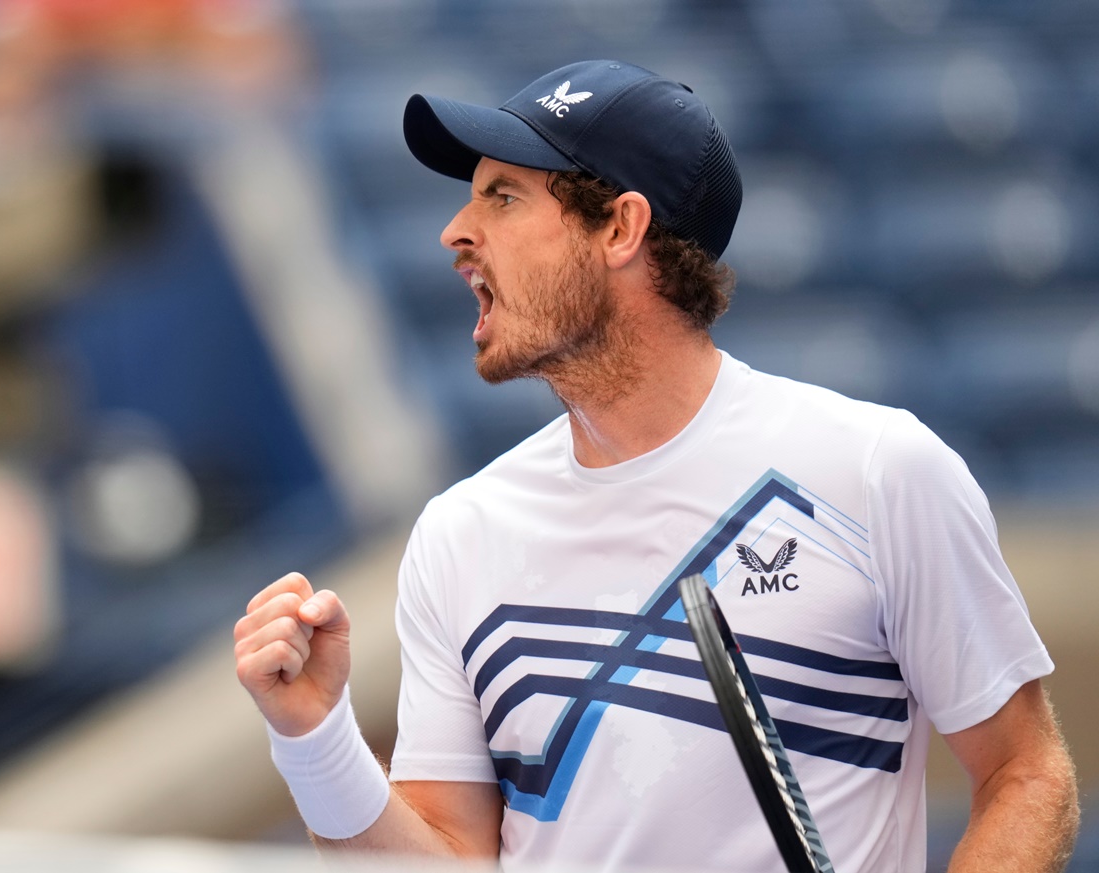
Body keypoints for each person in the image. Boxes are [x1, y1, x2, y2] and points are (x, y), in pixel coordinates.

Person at [233, 60, 1080, 872]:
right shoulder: (460, 533)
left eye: (503, 196)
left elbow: (1026, 775)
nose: (456, 232)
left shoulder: (881, 470)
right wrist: (317, 742)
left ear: (621, 228)